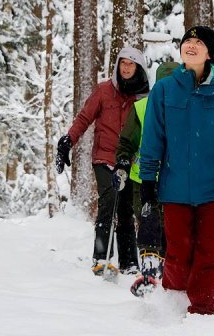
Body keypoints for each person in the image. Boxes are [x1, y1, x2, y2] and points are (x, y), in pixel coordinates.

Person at [138, 26, 214, 315]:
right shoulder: (164, 89)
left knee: (208, 252)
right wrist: (148, 180)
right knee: (177, 250)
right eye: (188, 40)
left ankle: (203, 310)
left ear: (208, 53)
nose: (191, 45)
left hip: (213, 188)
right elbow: (152, 139)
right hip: (174, 189)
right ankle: (174, 303)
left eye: (199, 42)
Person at [56, 47, 150, 275]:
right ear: (117, 65)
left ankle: (129, 263)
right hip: (104, 157)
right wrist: (68, 140)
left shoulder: (144, 96)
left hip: (129, 160)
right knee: (109, 201)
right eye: (123, 63)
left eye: (131, 64)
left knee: (126, 208)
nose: (126, 68)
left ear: (138, 68)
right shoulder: (104, 91)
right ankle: (101, 257)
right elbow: (84, 117)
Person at [114, 60, 181, 291]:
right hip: (141, 178)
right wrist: (122, 162)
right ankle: (149, 272)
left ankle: (166, 274)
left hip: (173, 180)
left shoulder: (186, 109)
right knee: (148, 221)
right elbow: (127, 141)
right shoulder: (142, 107)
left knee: (169, 226)